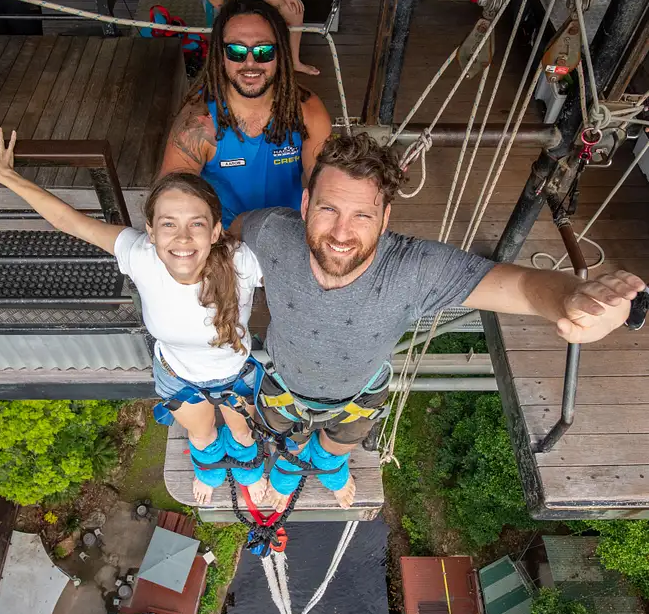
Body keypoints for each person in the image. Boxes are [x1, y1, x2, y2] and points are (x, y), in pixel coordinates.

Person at [234, 132, 646, 511]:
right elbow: (229, 231)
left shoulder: (414, 270)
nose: (342, 233)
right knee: (284, 439)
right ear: (305, 205)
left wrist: (571, 297)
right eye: (328, 209)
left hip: (360, 393)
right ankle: (287, 476)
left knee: (339, 444)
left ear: (385, 217)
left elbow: (516, 286)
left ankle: (330, 469)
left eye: (362, 215)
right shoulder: (272, 232)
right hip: (283, 381)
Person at [0, 127, 266, 508]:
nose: (181, 238)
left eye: (195, 223)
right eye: (168, 224)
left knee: (244, 437)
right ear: (150, 232)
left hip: (235, 373)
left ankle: (248, 472)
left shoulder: (244, 262)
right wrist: (6, 176)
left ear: (215, 231)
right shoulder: (139, 255)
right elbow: (69, 221)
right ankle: (209, 471)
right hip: (179, 376)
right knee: (202, 437)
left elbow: (314, 259)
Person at [160, 0, 332, 229]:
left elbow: (325, 190)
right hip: (224, 240)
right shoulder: (198, 124)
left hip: (288, 234)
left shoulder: (307, 111)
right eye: (236, 52)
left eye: (263, 52)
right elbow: (168, 203)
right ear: (221, 57)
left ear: (280, 53)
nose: (250, 63)